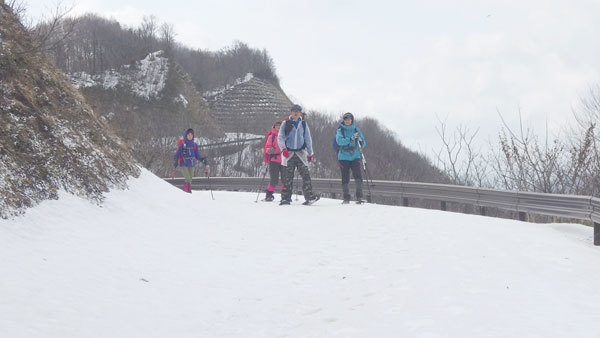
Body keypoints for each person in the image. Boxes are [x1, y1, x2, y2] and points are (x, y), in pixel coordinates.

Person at [277, 104, 320, 205]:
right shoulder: (285, 123)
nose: (296, 112)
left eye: (298, 111)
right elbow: (280, 137)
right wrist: (283, 149)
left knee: (306, 175)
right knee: (287, 177)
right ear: (291, 112)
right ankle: (285, 198)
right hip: (289, 154)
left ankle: (309, 197)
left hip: (301, 154)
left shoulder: (303, 124)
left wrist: (310, 153)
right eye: (294, 111)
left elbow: (308, 139)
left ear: (300, 113)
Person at [336, 112, 366, 203]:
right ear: (343, 120)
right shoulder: (340, 130)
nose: (347, 121)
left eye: (349, 119)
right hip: (343, 156)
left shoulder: (356, 130)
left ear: (352, 120)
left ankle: (359, 197)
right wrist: (350, 139)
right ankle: (346, 198)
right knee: (345, 177)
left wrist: (360, 140)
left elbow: (363, 143)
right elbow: (339, 141)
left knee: (358, 175)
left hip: (355, 155)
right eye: (345, 119)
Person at [174, 128, 208, 193]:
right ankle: (187, 191)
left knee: (190, 179)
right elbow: (177, 153)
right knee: (187, 178)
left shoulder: (194, 145)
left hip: (191, 163)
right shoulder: (182, 144)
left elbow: (197, 155)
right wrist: (175, 160)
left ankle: (186, 190)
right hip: (183, 163)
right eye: (188, 135)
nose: (190, 136)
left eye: (191, 135)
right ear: (185, 135)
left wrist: (202, 159)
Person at [262, 120, 284, 201]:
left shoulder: (285, 136)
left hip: (284, 160)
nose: (278, 127)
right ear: (274, 127)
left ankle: (284, 196)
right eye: (277, 125)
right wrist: (270, 150)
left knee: (285, 179)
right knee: (274, 179)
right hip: (274, 160)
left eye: (280, 125)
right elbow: (267, 148)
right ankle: (269, 194)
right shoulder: (272, 136)